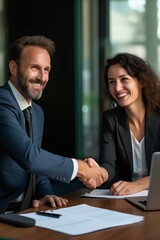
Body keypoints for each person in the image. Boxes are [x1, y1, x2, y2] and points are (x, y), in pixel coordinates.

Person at [0, 35, 106, 213]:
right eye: (35, 68)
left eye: (47, 69)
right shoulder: (2, 103)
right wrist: (80, 168)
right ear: (13, 67)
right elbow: (30, 157)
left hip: (26, 210)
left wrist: (46, 193)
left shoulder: (37, 113)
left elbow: (36, 166)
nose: (42, 77)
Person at [83, 52, 160, 196]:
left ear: (141, 81)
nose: (117, 88)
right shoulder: (111, 119)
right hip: (125, 199)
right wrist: (98, 175)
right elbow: (109, 165)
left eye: (124, 79)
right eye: (112, 82)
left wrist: (137, 185)